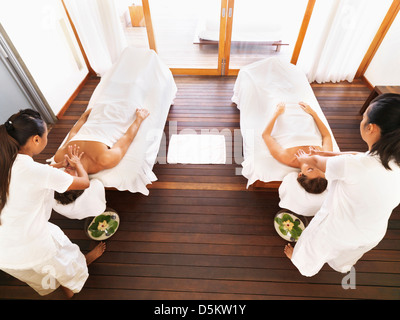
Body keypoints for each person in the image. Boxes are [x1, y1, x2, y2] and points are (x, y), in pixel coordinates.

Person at [284, 93, 400, 277]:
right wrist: (328, 154)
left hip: (339, 229)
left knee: (312, 245)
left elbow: (316, 160)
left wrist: (305, 158)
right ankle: (341, 267)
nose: (361, 121)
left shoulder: (354, 167)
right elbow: (357, 156)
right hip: (372, 232)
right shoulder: (391, 160)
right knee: (347, 255)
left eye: (364, 118)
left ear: (371, 128)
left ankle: (300, 262)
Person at [0, 109, 105, 298]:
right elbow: (84, 183)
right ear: (36, 140)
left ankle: (64, 282)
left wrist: (55, 168)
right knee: (63, 256)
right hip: (31, 242)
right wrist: (76, 163)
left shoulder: (7, 160)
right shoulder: (36, 171)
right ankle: (72, 286)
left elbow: (32, 174)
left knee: (45, 270)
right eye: (46, 135)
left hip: (5, 249)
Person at [52, 107, 150, 204]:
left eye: (62, 176)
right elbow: (127, 137)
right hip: (118, 113)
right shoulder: (104, 160)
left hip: (97, 112)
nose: (65, 172)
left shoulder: (60, 157)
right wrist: (139, 118)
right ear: (81, 181)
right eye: (70, 177)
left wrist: (83, 117)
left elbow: (73, 133)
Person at [262, 101, 333, 194]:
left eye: (310, 169)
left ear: (300, 175)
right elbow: (327, 136)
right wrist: (313, 113)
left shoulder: (287, 158)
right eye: (319, 168)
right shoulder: (324, 157)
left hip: (284, 113)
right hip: (305, 113)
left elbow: (266, 135)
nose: (314, 164)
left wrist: (277, 112)